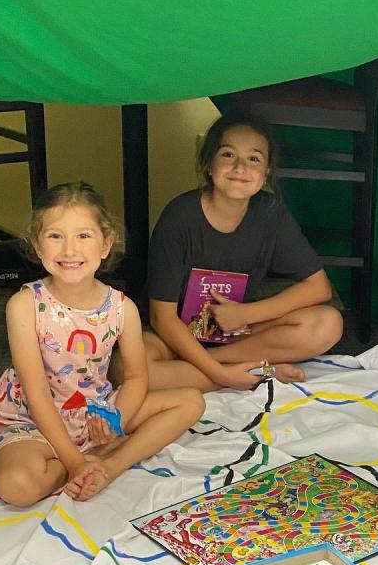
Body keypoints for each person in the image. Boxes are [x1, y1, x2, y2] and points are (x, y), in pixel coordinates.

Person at [0, 182, 204, 507]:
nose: (69, 250)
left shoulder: (122, 308)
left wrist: (113, 420)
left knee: (191, 402)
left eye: (83, 236)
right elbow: (37, 394)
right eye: (55, 236)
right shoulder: (23, 305)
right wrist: (74, 464)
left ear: (105, 244)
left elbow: (135, 378)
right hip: (36, 418)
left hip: (94, 411)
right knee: (17, 487)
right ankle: (78, 461)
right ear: (37, 244)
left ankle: (110, 463)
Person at [137, 112, 344, 392]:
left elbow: (319, 288)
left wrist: (246, 314)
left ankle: (212, 368)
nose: (240, 167)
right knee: (129, 368)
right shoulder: (180, 217)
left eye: (254, 159)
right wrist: (223, 377)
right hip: (174, 336)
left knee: (328, 324)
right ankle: (256, 371)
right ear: (209, 164)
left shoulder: (270, 214)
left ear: (267, 170)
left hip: (235, 332)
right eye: (227, 155)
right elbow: (162, 317)